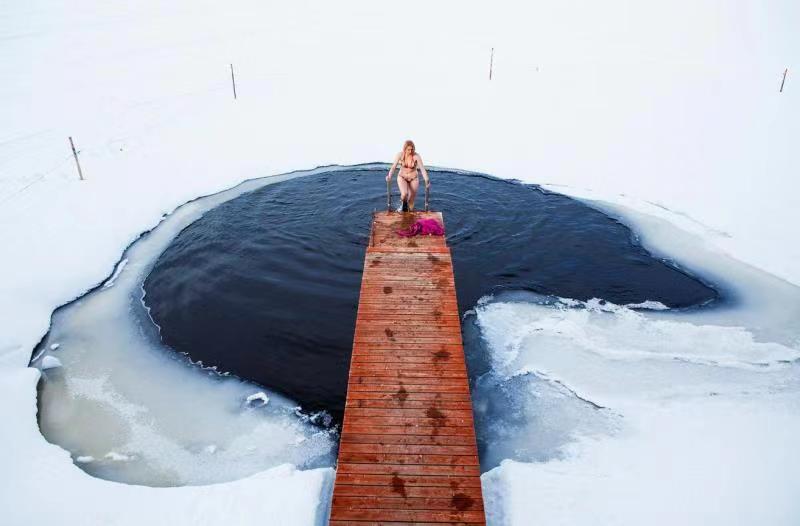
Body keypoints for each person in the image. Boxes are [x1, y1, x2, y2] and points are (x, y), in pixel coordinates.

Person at [386, 140, 430, 212]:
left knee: (411, 199)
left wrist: (427, 181)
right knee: (404, 194)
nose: (410, 151)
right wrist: (389, 176)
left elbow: (422, 169)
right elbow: (393, 167)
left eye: (412, 149)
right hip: (402, 177)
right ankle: (403, 204)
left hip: (414, 178)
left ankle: (410, 214)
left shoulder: (416, 156)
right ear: (405, 149)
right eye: (408, 149)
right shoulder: (400, 155)